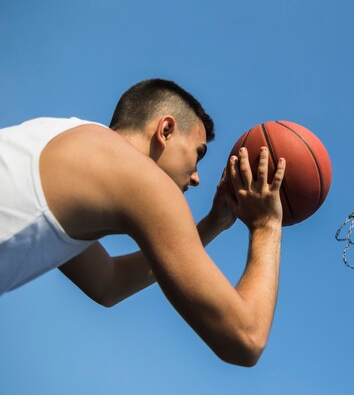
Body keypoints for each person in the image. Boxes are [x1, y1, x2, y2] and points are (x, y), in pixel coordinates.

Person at [0, 78, 286, 367]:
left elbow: (108, 282)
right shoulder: (143, 177)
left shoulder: (62, 135)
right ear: (166, 130)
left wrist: (213, 223)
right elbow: (245, 339)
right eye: (197, 154)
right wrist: (267, 225)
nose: (197, 177)